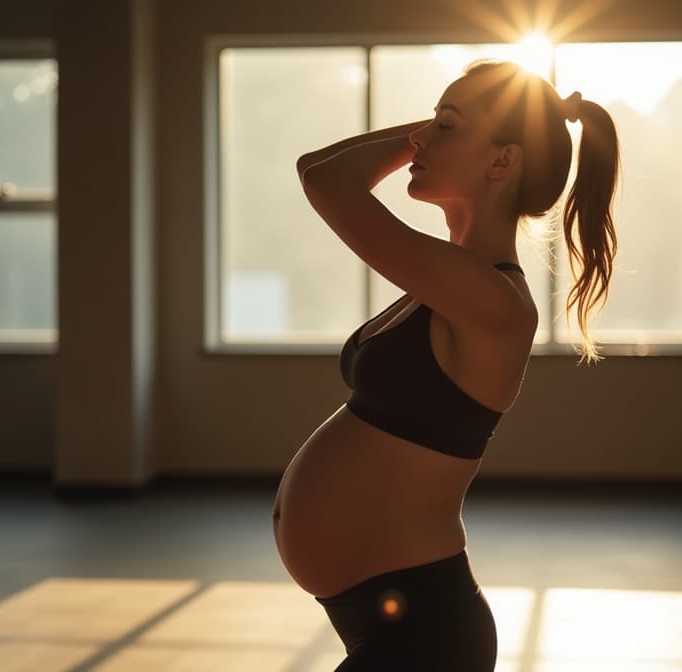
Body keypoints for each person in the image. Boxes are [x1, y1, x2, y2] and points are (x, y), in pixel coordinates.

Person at [272, 58, 620, 671]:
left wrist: (437, 129)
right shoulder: (444, 281)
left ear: (502, 161)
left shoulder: (493, 300)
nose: (419, 142)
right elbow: (314, 169)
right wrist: (447, 127)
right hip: (390, 620)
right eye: (429, 125)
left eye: (446, 127)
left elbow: (327, 179)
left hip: (424, 632)